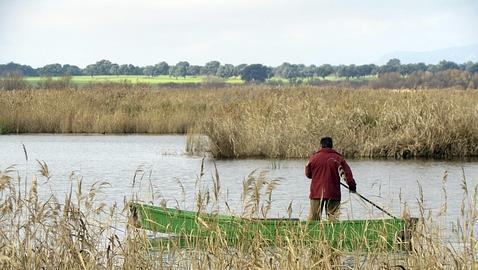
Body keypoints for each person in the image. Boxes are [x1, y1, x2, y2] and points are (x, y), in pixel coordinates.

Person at [305, 137, 356, 221]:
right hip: (333, 192)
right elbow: (347, 176)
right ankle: (333, 233)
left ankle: (313, 234)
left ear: (321, 145)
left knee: (314, 220)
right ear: (332, 146)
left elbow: (308, 174)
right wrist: (352, 186)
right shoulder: (338, 158)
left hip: (316, 193)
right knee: (333, 220)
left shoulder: (313, 158)